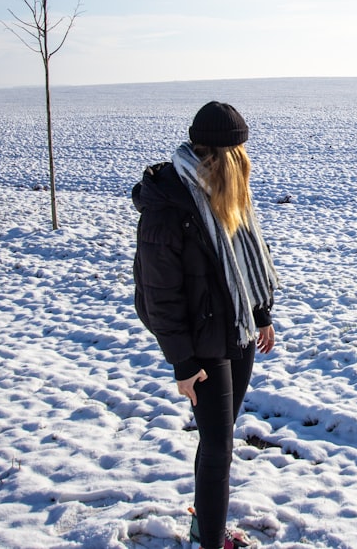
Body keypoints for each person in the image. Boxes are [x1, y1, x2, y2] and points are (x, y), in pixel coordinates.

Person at [132, 101, 279, 549]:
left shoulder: (224, 193)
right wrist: (182, 362)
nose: (247, 164)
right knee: (218, 448)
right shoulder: (169, 206)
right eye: (240, 155)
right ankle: (211, 541)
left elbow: (241, 261)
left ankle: (205, 526)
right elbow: (159, 297)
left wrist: (260, 314)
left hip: (237, 333)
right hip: (202, 346)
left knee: (220, 441)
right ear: (222, 157)